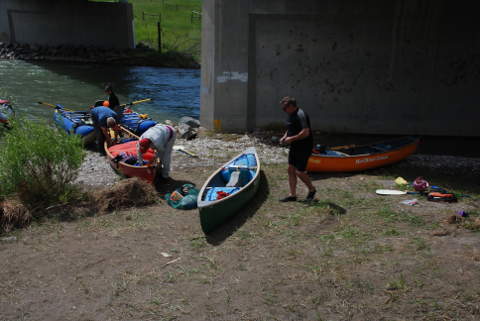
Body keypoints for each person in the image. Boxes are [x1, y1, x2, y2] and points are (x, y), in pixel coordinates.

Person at [279, 96, 316, 202]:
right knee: (290, 169)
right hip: (295, 146)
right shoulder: (291, 114)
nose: (284, 110)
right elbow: (291, 128)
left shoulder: (301, 114)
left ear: (291, 106)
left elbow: (306, 132)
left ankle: (312, 190)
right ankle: (292, 195)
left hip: (304, 147)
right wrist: (285, 136)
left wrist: (292, 138)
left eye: (285, 108)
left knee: (300, 172)